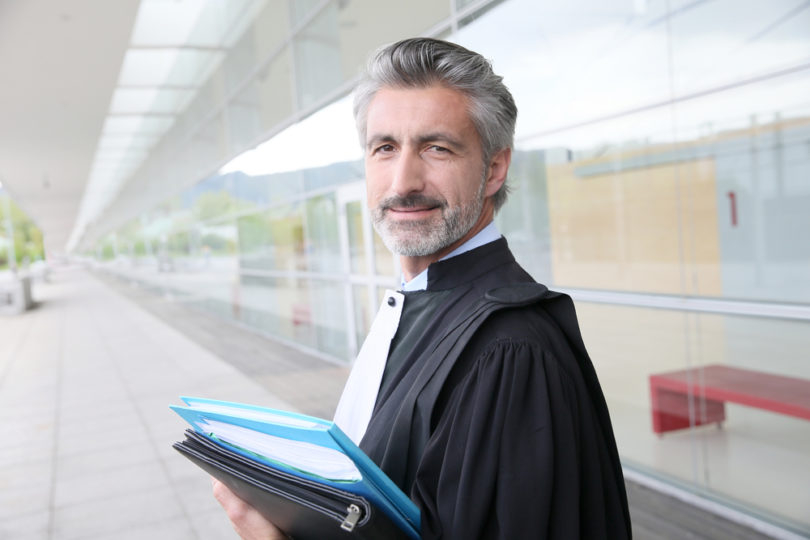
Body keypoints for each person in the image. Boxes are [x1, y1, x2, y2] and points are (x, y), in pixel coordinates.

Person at [213, 37, 632, 539]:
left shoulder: (508, 350)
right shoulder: (419, 304)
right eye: (384, 148)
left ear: (494, 168)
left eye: (437, 147)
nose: (403, 181)